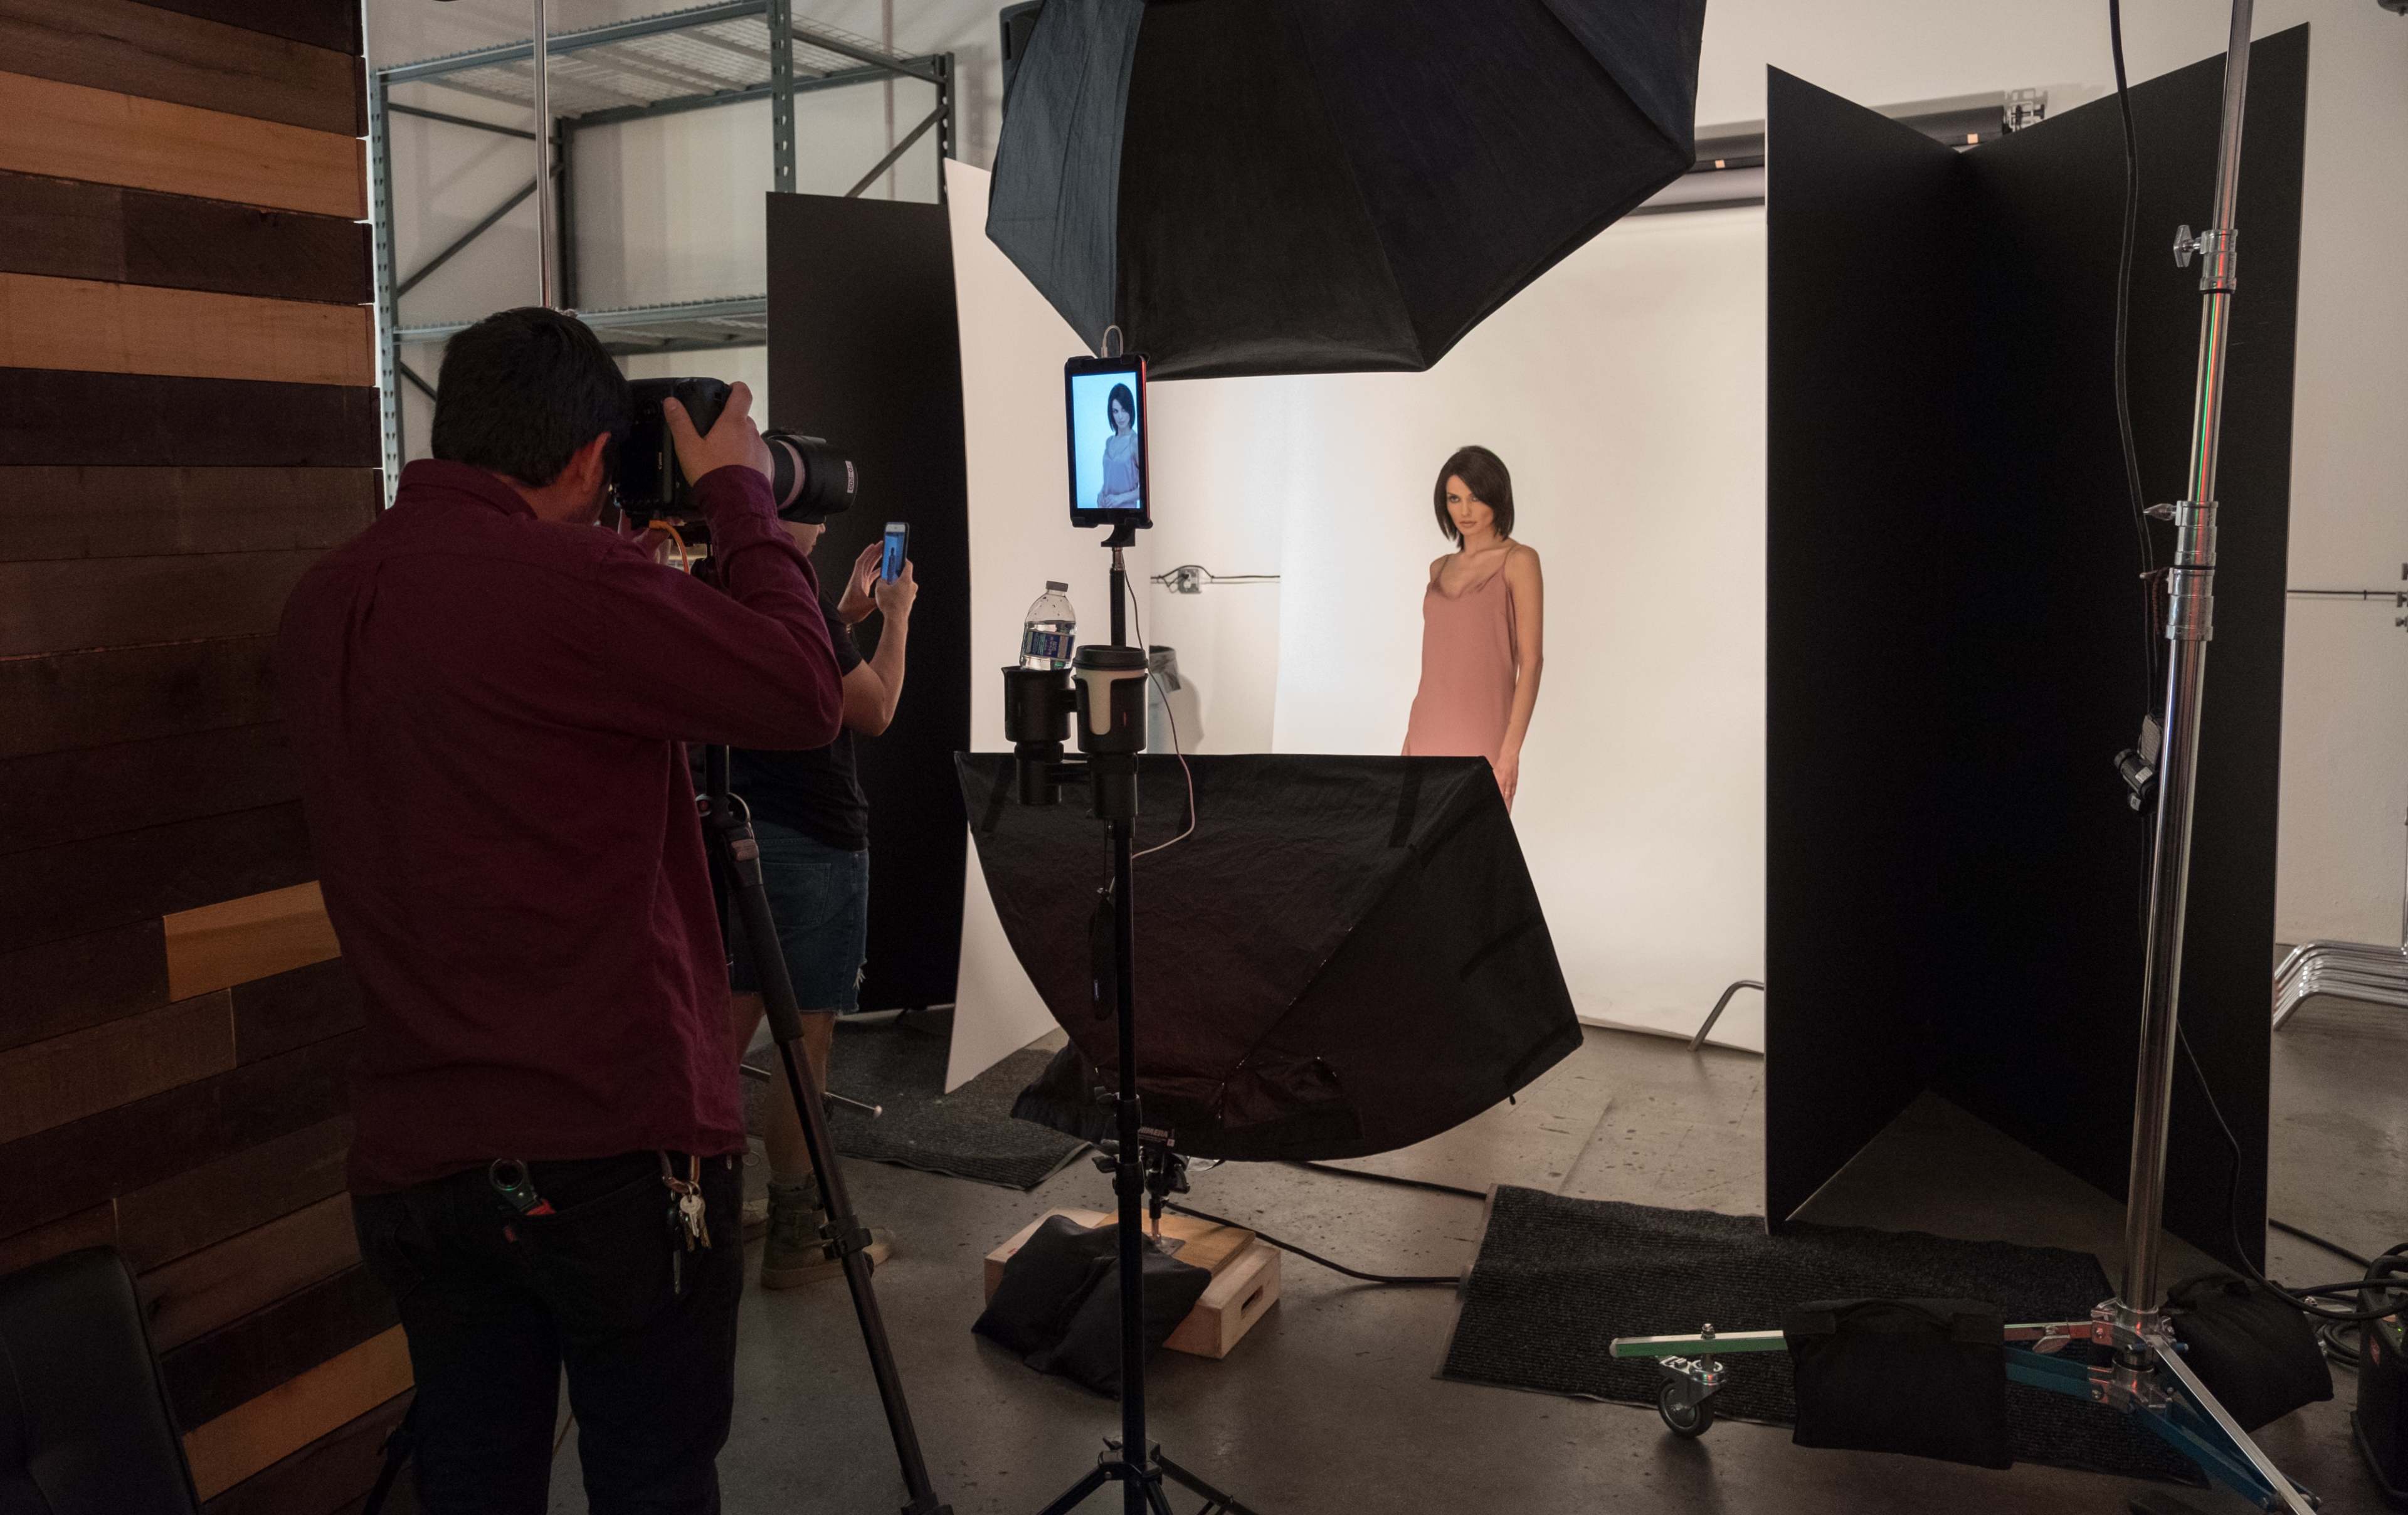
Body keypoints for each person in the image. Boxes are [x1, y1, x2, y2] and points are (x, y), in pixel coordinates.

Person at [275, 307, 845, 1515]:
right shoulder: (581, 585)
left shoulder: (326, 600)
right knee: (653, 1481)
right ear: (592, 456)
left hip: (418, 1163)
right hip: (609, 1160)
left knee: (476, 1485)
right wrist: (743, 500)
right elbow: (804, 691)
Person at [723, 524, 917, 1289]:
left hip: (739, 826)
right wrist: (896, 615)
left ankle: (702, 1205)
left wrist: (844, 612)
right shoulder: (786, 582)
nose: (828, 522)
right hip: (813, 840)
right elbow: (871, 709)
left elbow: (792, 658)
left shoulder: (726, 573)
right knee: (804, 1049)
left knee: (721, 1034)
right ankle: (800, 1234)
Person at [1402, 445, 1545, 808]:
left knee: (1472, 855)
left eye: (1475, 498)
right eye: (1454, 498)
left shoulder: (1519, 561)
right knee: (1411, 856)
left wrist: (1510, 753)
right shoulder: (1439, 568)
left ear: (1498, 497)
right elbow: (1435, 667)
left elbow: (1531, 662)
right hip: (1425, 732)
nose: (1464, 511)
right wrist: (1409, 739)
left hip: (1484, 736)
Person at [1096, 383, 1141, 510]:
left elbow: (1145, 489)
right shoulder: (1109, 442)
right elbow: (1111, 478)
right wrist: (1101, 493)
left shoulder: (1135, 442)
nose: (1120, 417)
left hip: (1126, 515)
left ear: (1130, 409)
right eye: (1116, 411)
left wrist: (1120, 498)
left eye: (1124, 410)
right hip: (1104, 512)